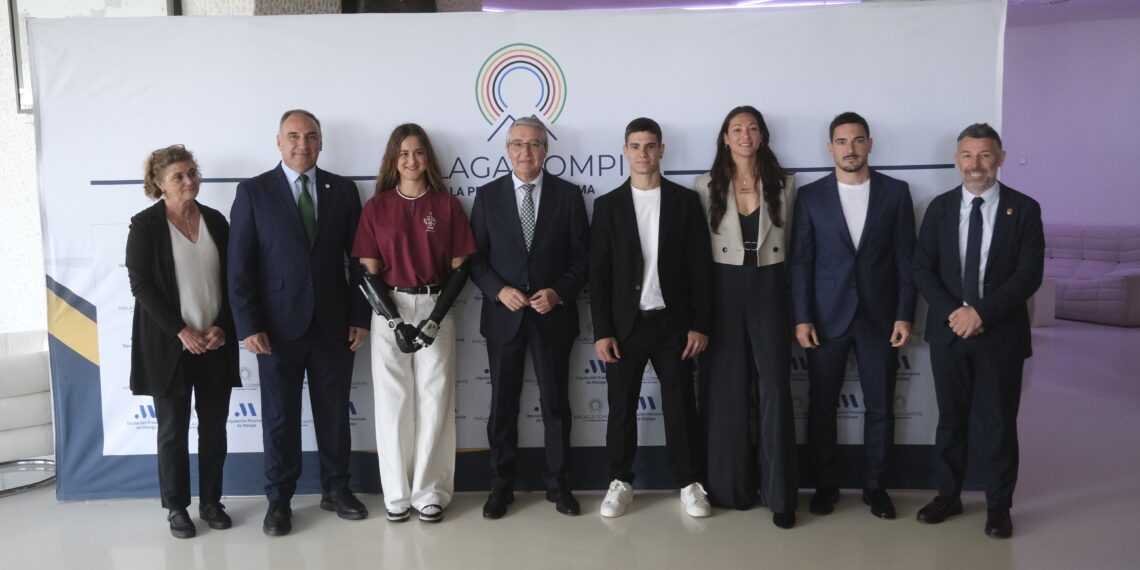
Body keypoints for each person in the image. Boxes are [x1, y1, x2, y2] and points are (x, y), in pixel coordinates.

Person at [228, 109, 371, 536]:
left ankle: (336, 489)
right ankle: (279, 500)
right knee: (279, 418)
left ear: (321, 142)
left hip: (333, 325)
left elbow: (360, 261)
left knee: (334, 415)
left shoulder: (343, 190)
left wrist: (360, 316)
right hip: (274, 330)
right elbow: (239, 267)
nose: (302, 144)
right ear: (278, 142)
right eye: (293, 136)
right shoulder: (253, 192)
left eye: (310, 136)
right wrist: (248, 325)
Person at [912, 123, 1043, 538]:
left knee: (999, 424)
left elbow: (1029, 275)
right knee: (950, 421)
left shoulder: (1024, 209)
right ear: (957, 160)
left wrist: (980, 313)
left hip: (1000, 336)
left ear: (1000, 158)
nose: (976, 164)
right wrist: (957, 313)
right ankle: (948, 496)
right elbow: (922, 268)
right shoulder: (940, 208)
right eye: (967, 155)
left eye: (985, 154)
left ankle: (998, 506)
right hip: (949, 332)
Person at [789, 112, 916, 520]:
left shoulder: (896, 193)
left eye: (858, 140)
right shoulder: (810, 197)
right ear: (830, 148)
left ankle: (875, 486)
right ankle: (825, 485)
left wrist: (904, 315)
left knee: (880, 406)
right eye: (842, 141)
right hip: (826, 319)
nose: (850, 148)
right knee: (822, 405)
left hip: (881, 318)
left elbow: (906, 261)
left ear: (870, 144)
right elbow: (801, 262)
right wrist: (802, 318)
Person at [353, 123, 477, 524]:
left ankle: (430, 492)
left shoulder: (447, 206)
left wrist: (435, 319)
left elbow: (461, 267)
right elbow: (366, 271)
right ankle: (397, 494)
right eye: (404, 153)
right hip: (389, 308)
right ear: (394, 159)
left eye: (418, 152)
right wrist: (394, 321)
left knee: (435, 399)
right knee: (393, 403)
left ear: (428, 158)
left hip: (435, 304)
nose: (411, 160)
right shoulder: (376, 207)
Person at [590, 117, 713, 519]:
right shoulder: (607, 206)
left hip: (673, 324)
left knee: (681, 407)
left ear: (662, 150)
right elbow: (598, 276)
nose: (643, 153)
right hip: (625, 326)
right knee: (621, 408)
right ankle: (620, 480)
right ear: (625, 151)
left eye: (650, 146)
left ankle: (689, 482)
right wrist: (603, 331)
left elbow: (700, 268)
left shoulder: (685, 201)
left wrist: (699, 323)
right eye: (635, 146)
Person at [469, 117, 590, 519]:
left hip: (552, 316)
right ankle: (500, 486)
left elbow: (583, 258)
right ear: (507, 150)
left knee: (555, 405)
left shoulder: (568, 196)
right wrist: (498, 290)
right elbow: (475, 259)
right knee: (503, 406)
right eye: (518, 144)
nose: (526, 152)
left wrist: (558, 292)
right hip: (504, 318)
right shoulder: (487, 196)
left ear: (546, 150)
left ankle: (559, 485)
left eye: (535, 144)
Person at [126, 145, 240, 538]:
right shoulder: (145, 226)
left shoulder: (216, 220)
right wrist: (181, 330)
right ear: (159, 183)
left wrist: (222, 326)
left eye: (192, 173)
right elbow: (141, 285)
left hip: (215, 343)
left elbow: (234, 281)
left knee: (214, 429)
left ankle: (211, 502)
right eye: (179, 176)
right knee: (173, 432)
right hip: (169, 346)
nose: (190, 180)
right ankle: (176, 507)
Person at [693, 106, 799, 529]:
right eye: (736, 129)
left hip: (770, 286)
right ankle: (729, 489)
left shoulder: (786, 184)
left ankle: (780, 496)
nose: (745, 135)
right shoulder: (703, 186)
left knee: (774, 387)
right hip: (722, 288)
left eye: (752, 128)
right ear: (725, 137)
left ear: (763, 135)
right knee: (726, 389)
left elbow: (795, 246)